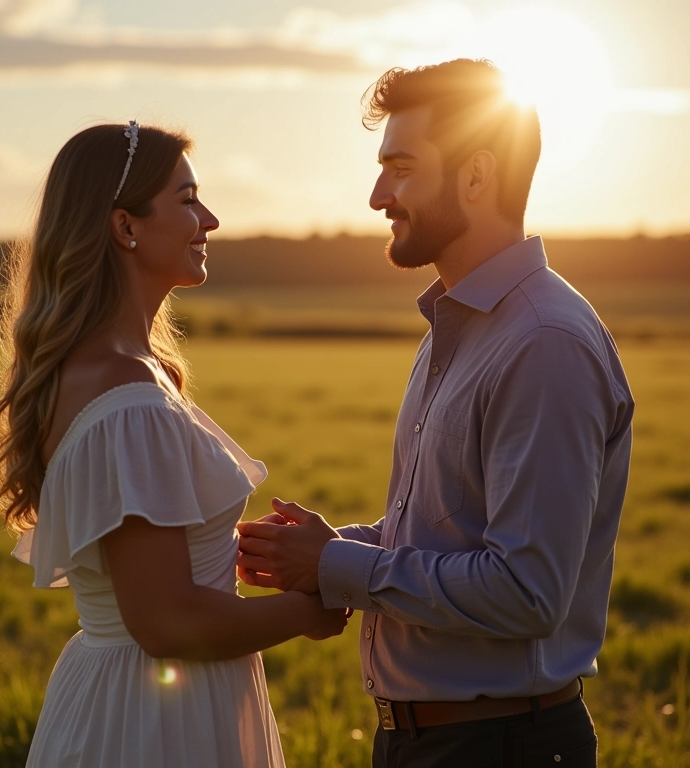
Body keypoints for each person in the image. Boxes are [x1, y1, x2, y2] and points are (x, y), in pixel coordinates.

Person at [237, 59, 634, 767]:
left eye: (401, 168)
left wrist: (338, 563)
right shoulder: (458, 327)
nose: (377, 195)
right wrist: (333, 549)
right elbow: (457, 530)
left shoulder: (543, 343)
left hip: (499, 746)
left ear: (476, 177)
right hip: (427, 741)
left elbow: (525, 591)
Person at [0, 120, 349, 768]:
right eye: (186, 199)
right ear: (126, 227)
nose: (208, 218)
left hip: (124, 698)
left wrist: (241, 547)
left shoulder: (112, 370)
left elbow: (147, 562)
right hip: (153, 723)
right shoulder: (126, 396)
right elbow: (167, 622)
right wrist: (306, 612)